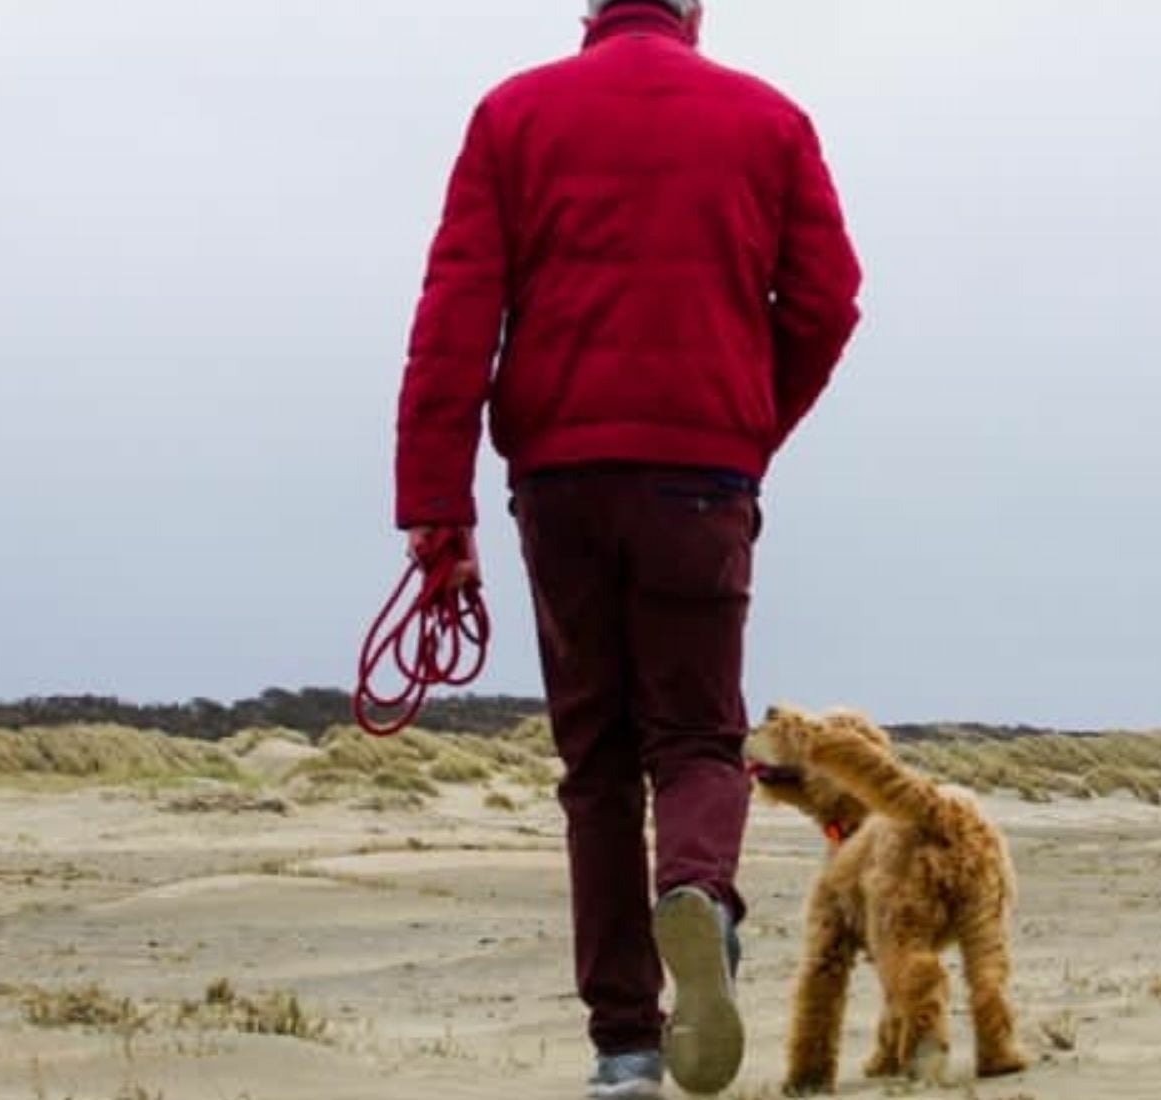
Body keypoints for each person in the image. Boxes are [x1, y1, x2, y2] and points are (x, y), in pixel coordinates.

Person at [389, 0, 863, 1095]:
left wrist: (435, 508)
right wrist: (746, 425)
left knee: (595, 766)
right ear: (694, 7)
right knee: (697, 739)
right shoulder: (770, 120)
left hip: (557, 480)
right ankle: (699, 893)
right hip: (701, 474)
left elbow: (454, 315)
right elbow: (829, 302)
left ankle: (625, 1045)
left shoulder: (512, 115)